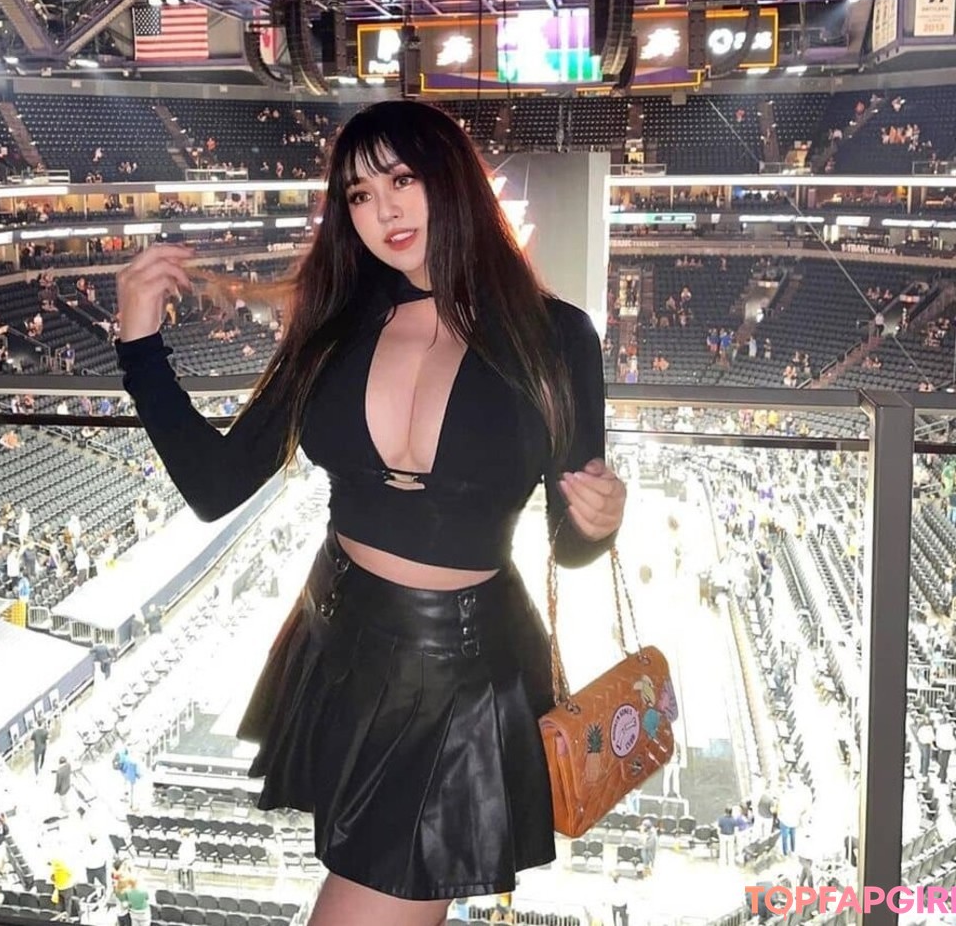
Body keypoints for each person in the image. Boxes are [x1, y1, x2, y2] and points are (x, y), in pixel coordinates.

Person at [114, 101, 625, 925]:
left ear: (451, 181)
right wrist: (140, 349)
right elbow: (216, 485)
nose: (382, 209)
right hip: (339, 646)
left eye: (401, 179)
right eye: (357, 194)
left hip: (462, 674)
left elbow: (568, 544)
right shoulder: (335, 329)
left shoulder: (558, 338)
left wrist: (599, 523)